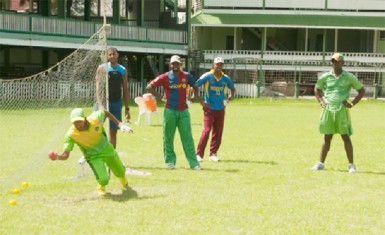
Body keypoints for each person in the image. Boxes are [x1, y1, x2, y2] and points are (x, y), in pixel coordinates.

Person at [48, 108, 134, 195]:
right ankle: (101, 187)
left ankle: (123, 180)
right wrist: (57, 157)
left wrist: (120, 124)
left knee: (120, 171)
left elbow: (105, 112)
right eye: (74, 122)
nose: (77, 124)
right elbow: (66, 155)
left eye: (79, 121)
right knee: (104, 179)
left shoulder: (94, 118)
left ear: (85, 118)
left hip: (107, 149)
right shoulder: (70, 134)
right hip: (93, 157)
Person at [311, 53, 365, 173]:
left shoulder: (349, 77)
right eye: (333, 61)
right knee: (327, 137)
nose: (334, 63)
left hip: (341, 110)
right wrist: (320, 100)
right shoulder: (326, 76)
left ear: (342, 63)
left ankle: (351, 165)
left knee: (345, 137)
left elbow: (361, 90)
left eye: (337, 61)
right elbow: (317, 88)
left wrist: (352, 104)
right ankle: (320, 163)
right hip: (328, 109)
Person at [146, 55, 201, 170]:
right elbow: (149, 87)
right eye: (173, 64)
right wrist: (161, 96)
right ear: (170, 65)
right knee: (168, 137)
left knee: (187, 137)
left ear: (180, 64)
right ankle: (170, 161)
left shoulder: (187, 76)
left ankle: (194, 163)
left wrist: (192, 99)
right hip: (170, 110)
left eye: (177, 63)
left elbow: (196, 87)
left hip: (183, 112)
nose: (175, 65)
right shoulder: (165, 76)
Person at [194, 57, 236, 162]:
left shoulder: (225, 78)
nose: (219, 66)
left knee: (218, 132)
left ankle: (213, 153)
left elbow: (233, 89)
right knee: (207, 130)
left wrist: (228, 100)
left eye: (221, 64)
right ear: (213, 65)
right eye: (217, 64)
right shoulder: (208, 76)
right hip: (209, 109)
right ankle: (199, 154)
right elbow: (195, 85)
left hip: (220, 109)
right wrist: (201, 101)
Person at [95, 47, 131, 149]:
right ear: (107, 56)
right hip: (102, 103)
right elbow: (97, 87)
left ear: (117, 55)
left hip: (116, 103)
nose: (112, 56)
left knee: (113, 131)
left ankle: (112, 157)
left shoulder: (122, 70)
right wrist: (99, 103)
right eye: (109, 54)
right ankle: (96, 155)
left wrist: (127, 108)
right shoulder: (101, 68)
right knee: (96, 130)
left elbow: (125, 89)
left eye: (113, 54)